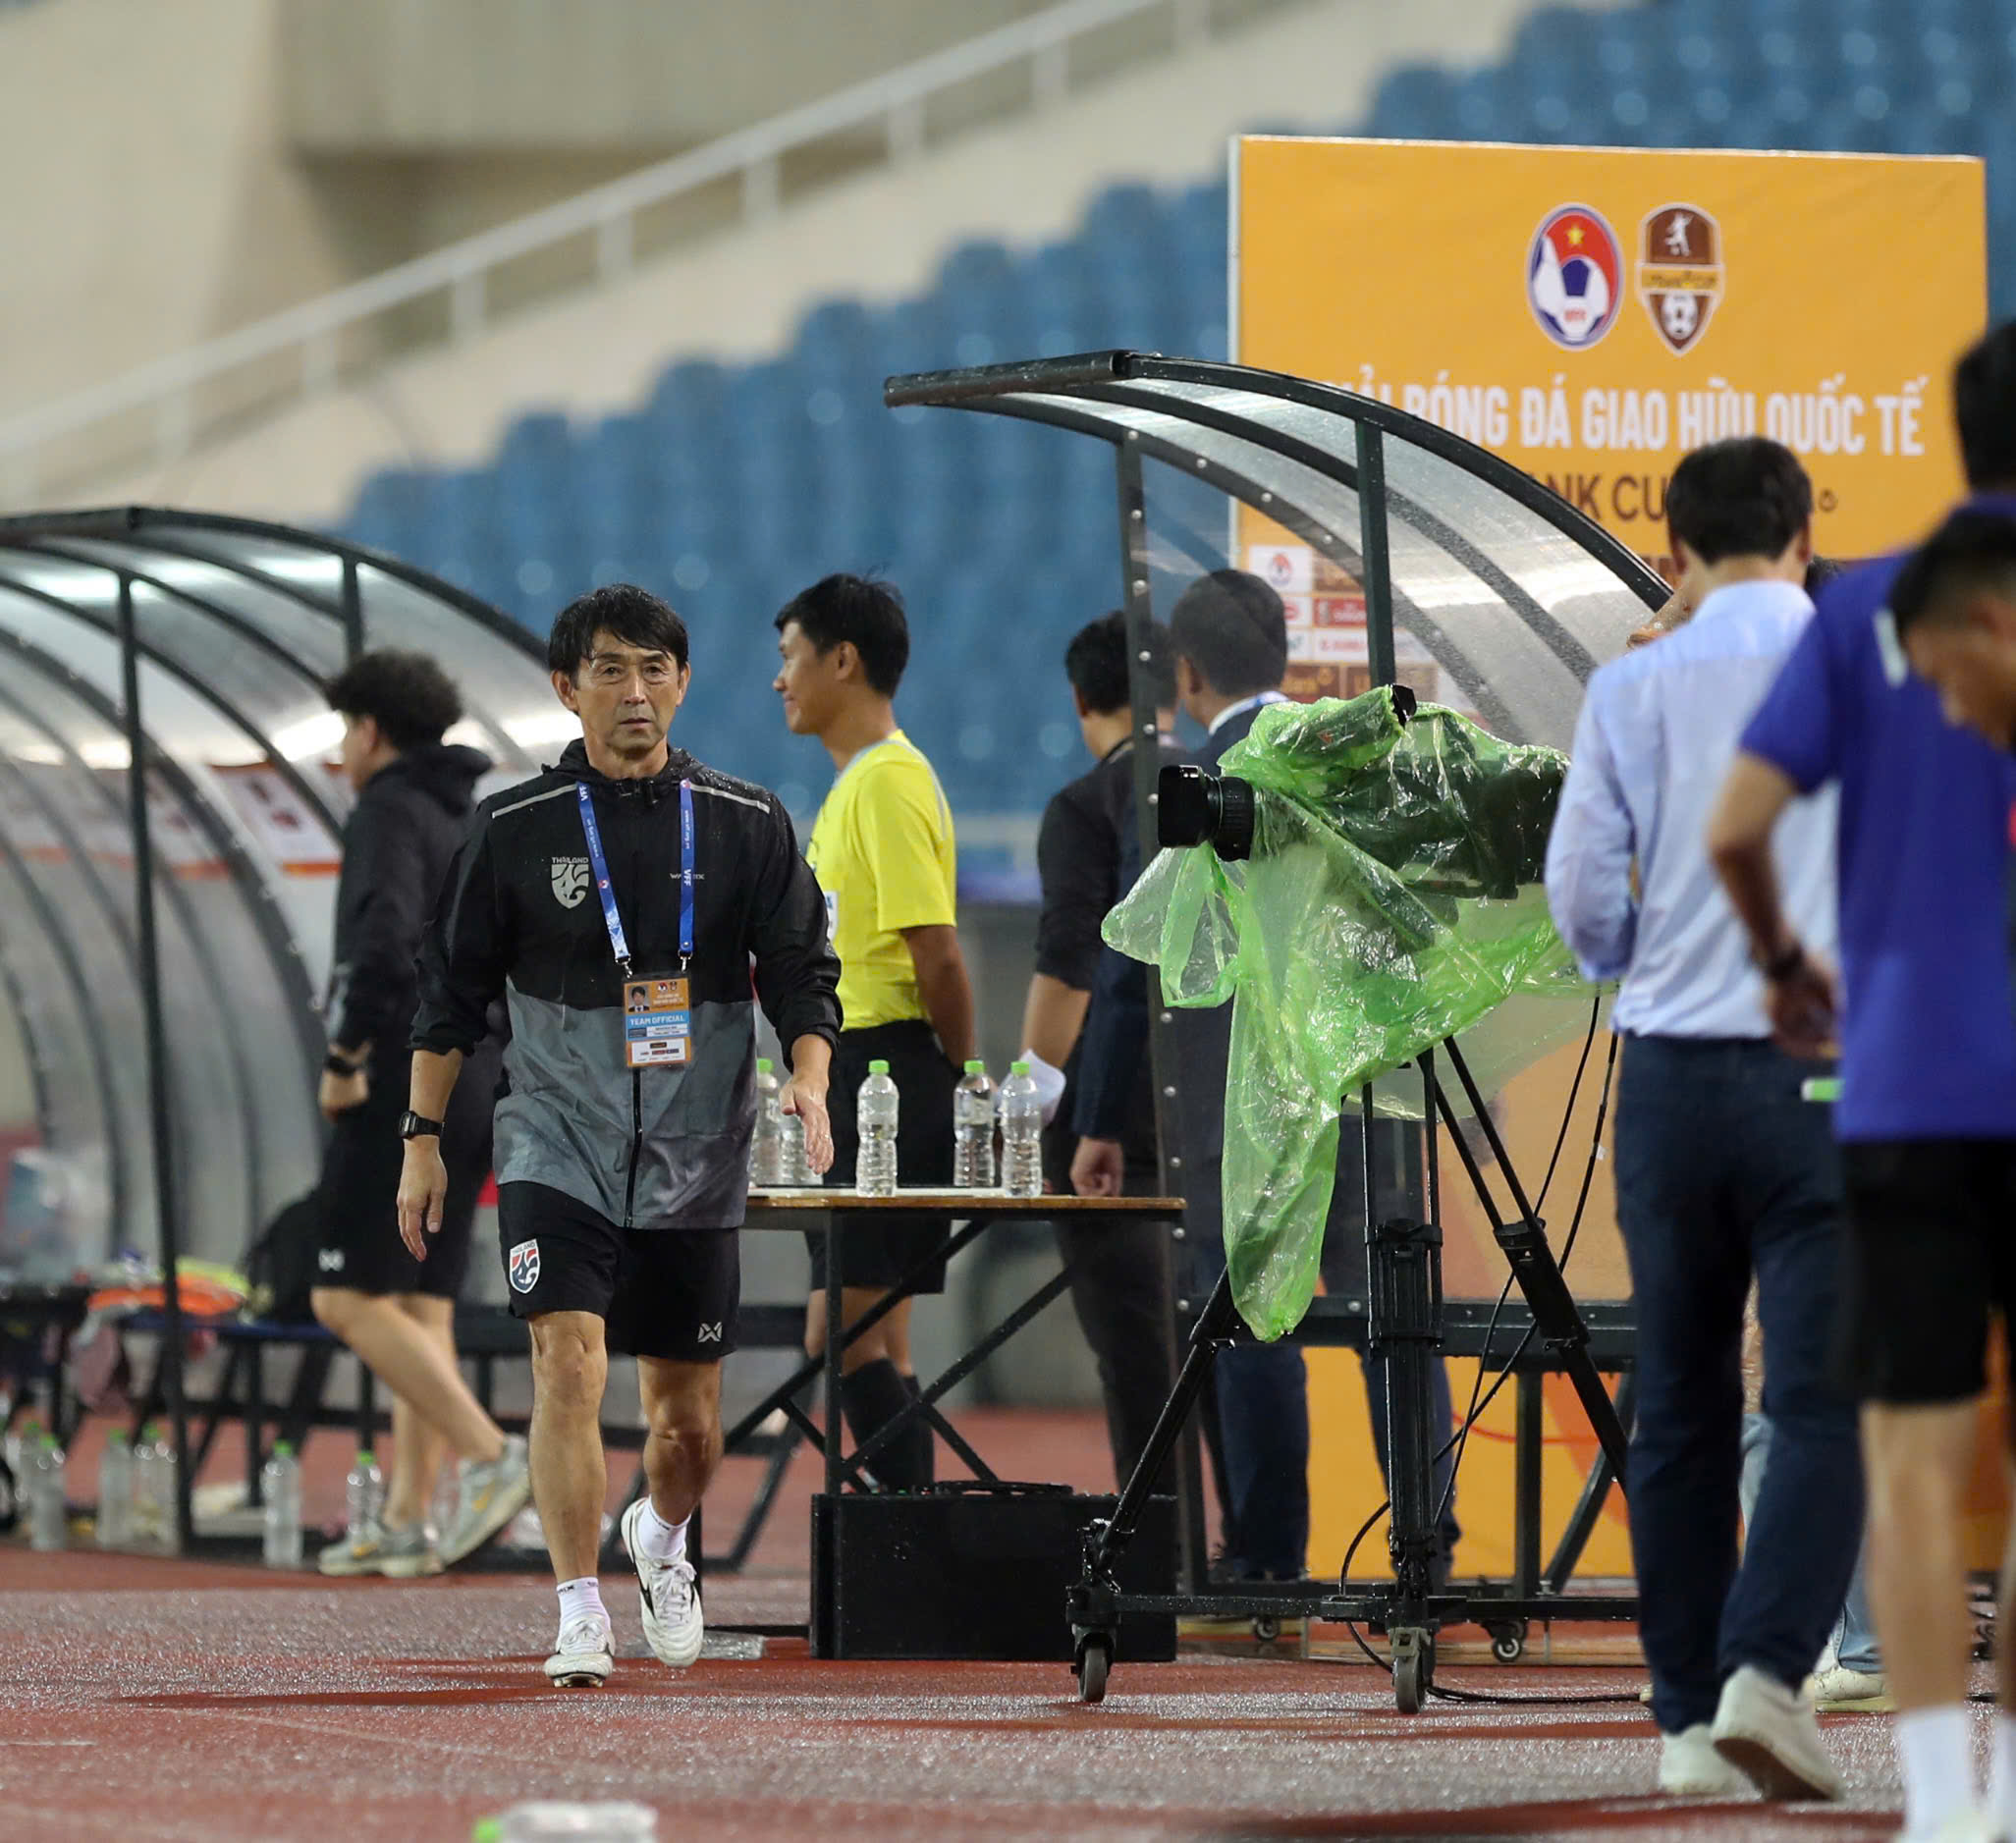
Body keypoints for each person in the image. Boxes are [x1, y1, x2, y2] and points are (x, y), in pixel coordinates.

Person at [401, 584, 840, 1687]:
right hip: (557, 1137)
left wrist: (811, 1076)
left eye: (654, 668)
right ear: (567, 687)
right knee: (567, 1358)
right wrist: (420, 1138)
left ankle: (662, 1538)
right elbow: (448, 992)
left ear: (682, 683)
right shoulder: (511, 827)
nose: (634, 690)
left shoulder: (747, 821)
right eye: (609, 669)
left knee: (688, 1424)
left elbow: (798, 970)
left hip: (697, 1150)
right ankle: (579, 1604)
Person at [1709, 321, 2016, 1843]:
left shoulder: (1863, 604)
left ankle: (1949, 1801)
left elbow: (1735, 826)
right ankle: (2014, 1788)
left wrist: (1781, 962)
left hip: (1902, 1084)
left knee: (1909, 1454)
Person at [1551, 436, 1860, 1802]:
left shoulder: (1632, 683)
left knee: (1673, 1396)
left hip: (1668, 1073)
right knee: (1816, 1394)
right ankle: (1766, 1674)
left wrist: (1643, 955)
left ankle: (1685, 1725)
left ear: (1670, 552)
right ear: (1803, 533)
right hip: (1824, 1070)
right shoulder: (1863, 668)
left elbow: (1581, 900)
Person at [1073, 569, 1459, 1583]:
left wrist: (1102, 1116)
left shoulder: (1192, 778)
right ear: (1285, 656)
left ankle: (1267, 1558)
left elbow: (1132, 966)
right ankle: (1428, 1539)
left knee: (1252, 1312)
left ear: (1186, 672)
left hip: (1238, 1102)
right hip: (1372, 1088)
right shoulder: (1354, 760)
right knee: (1393, 1302)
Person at [307, 650, 526, 1578]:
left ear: (369, 730)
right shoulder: (464, 815)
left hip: (401, 1071)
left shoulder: (386, 810)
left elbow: (383, 943)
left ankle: (490, 1456)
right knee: (418, 1299)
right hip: (474, 1069)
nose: (339, 752)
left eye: (343, 731)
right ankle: (408, 1516)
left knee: (342, 1293)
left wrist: (344, 1056)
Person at [774, 573, 976, 1491]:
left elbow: (935, 950)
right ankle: (908, 1536)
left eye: (790, 656)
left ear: (842, 660)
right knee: (879, 1334)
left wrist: (960, 1069)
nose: (780, 679)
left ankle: (913, 1530)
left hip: (884, 1068)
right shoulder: (861, 783)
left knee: (840, 1333)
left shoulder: (889, 781)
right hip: (866, 1069)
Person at [1017, 610, 1182, 1489]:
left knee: (1136, 1355)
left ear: (1082, 701)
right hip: (1218, 1105)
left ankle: (1155, 1546)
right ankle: (1249, 1560)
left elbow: (1071, 957)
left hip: (1108, 1122)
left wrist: (1032, 1094)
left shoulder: (1085, 807)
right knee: (1226, 1343)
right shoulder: (1221, 783)